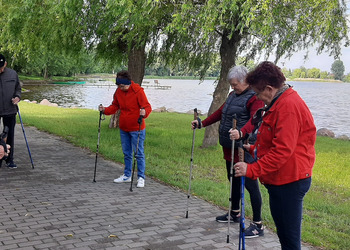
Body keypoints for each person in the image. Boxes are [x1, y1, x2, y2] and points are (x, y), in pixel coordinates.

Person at [233, 61, 316, 250]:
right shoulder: (280, 101)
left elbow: (283, 150)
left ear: (269, 89)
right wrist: (254, 149)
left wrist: (252, 169)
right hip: (280, 178)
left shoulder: (288, 106)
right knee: (284, 235)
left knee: (290, 240)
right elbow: (276, 140)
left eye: (258, 93)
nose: (258, 98)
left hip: (290, 180)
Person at [191, 65, 265, 238]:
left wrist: (241, 132)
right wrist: (203, 123)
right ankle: (235, 213)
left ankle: (258, 224)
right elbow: (220, 113)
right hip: (228, 147)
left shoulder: (255, 98)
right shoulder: (233, 96)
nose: (233, 87)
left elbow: (255, 121)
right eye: (231, 84)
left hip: (243, 148)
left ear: (245, 80)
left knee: (250, 186)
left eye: (235, 84)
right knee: (233, 180)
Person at [99, 70, 152, 188]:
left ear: (127, 83)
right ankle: (127, 176)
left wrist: (144, 112)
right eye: (118, 86)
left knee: (138, 153)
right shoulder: (118, 92)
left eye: (122, 86)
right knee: (127, 153)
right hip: (124, 127)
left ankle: (141, 177)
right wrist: (105, 110)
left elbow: (147, 107)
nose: (120, 88)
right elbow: (115, 106)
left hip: (137, 127)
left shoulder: (138, 91)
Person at [0, 54, 21, 168]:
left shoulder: (13, 74)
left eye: (1, 67)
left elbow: (18, 88)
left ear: (5, 64)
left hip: (10, 109)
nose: (0, 70)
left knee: (9, 135)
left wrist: (17, 97)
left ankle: (9, 159)